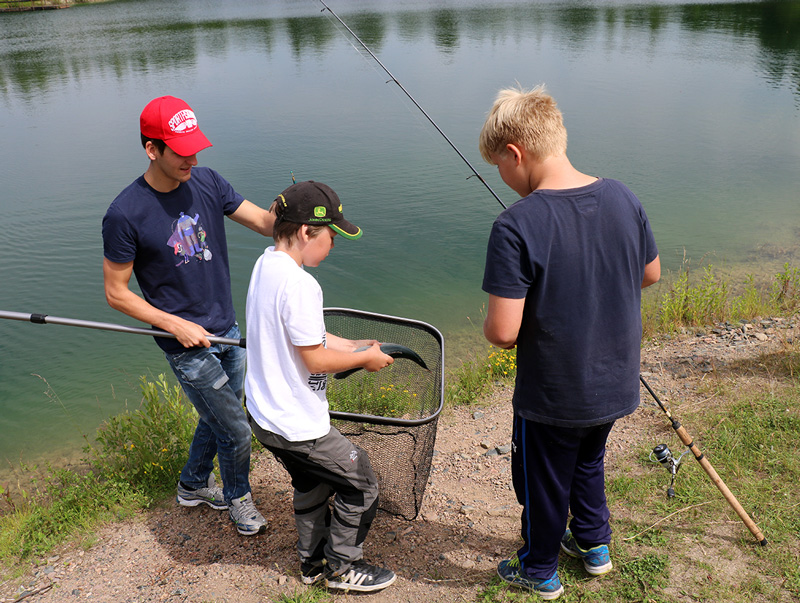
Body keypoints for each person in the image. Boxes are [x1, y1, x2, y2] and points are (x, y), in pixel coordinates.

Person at [478, 86, 661, 600]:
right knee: (588, 459)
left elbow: (503, 331)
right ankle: (595, 545)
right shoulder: (623, 196)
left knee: (544, 477)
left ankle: (538, 568)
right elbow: (651, 273)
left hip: (556, 390)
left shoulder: (516, 224)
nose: (504, 178)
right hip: (614, 379)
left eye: (498, 166)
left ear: (515, 154)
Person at [102, 95, 274, 536]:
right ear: (152, 149)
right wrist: (173, 324)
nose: (192, 158)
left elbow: (264, 224)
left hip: (227, 329)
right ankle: (239, 499)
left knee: (218, 416)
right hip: (184, 344)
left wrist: (304, 209)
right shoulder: (124, 214)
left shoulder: (208, 182)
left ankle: (192, 484)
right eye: (181, 150)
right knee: (235, 427)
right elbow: (117, 294)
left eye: (195, 147)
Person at [244, 180, 397, 593]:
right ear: (304, 232)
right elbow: (315, 358)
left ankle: (311, 563)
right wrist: (364, 359)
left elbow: (305, 337)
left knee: (311, 482)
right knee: (361, 480)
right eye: (331, 237)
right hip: (296, 425)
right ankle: (342, 568)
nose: (333, 246)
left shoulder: (266, 264)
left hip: (264, 415)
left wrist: (353, 344)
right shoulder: (301, 284)